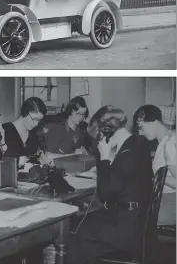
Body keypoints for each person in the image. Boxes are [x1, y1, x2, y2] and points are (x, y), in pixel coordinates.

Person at [69, 105, 153, 264]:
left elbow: (105, 193)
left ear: (105, 132)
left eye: (98, 136)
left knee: (75, 230)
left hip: (128, 228)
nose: (99, 141)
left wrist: (105, 157)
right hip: (136, 220)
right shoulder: (134, 145)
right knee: (85, 224)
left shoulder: (128, 153)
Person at [133, 104, 176, 226]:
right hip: (164, 199)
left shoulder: (170, 143)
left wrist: (154, 177)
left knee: (133, 220)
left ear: (153, 122)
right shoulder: (164, 141)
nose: (140, 133)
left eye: (141, 127)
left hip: (171, 202)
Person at [3, 97, 47, 167]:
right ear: (24, 113)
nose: (36, 124)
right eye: (34, 119)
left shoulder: (33, 134)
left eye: (39, 120)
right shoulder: (5, 130)